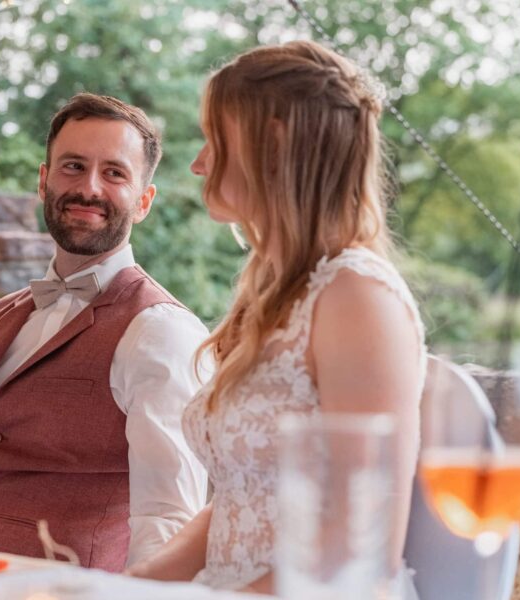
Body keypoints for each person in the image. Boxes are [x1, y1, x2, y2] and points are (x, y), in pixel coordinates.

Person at [128, 41, 426, 596]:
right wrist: (129, 585)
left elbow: (361, 546)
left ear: (274, 145)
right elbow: (238, 503)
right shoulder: (273, 293)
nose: (198, 163)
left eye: (215, 139)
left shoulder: (356, 295)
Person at [0, 93, 210, 571]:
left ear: (143, 202)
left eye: (114, 173)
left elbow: (167, 517)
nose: (89, 188)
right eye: (73, 167)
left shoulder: (160, 331)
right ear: (44, 181)